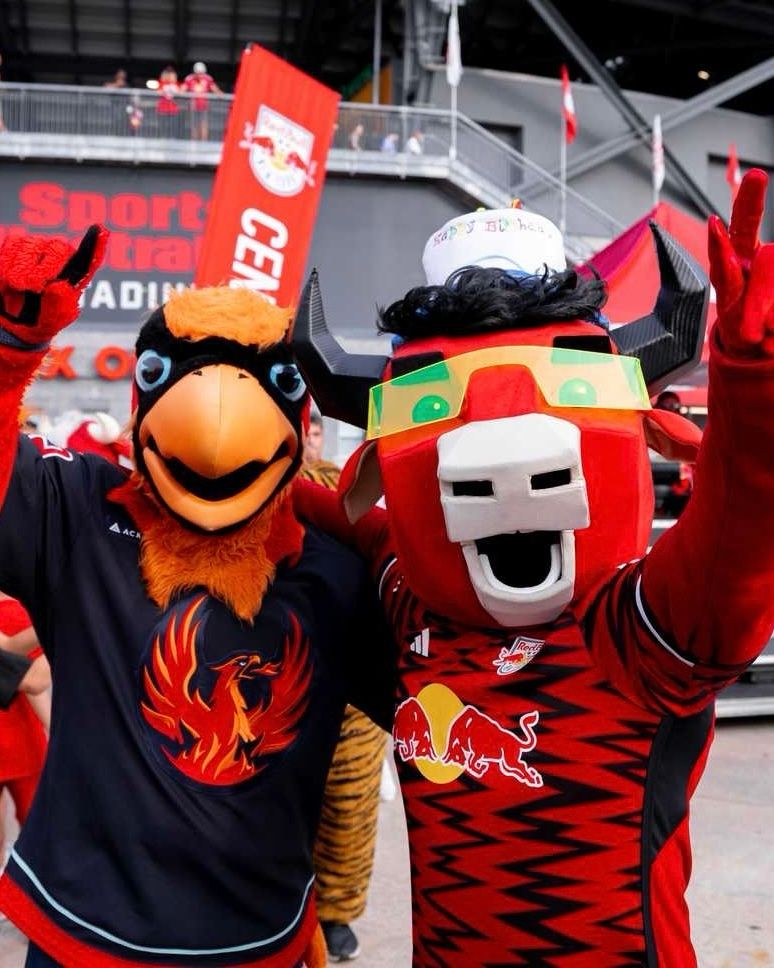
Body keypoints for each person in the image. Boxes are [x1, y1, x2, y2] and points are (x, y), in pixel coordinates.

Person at [292, 172, 774, 964]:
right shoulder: (412, 616)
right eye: (430, 399)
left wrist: (752, 390)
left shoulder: (638, 632)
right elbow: (356, 536)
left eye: (570, 382)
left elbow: (737, 544)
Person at [0, 227, 395, 968]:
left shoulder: (333, 568)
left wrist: (408, 527)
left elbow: (446, 694)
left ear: (302, 422)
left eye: (271, 382)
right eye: (170, 372)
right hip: (84, 931)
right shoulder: (84, 514)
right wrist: (7, 355)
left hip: (256, 934)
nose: (215, 413)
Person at [301, 415, 386, 963]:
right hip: (277, 680)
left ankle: (336, 912)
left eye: (310, 428)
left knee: (348, 812)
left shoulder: (350, 493)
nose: (304, 438)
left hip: (353, 693)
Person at [0, 595, 49, 868]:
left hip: (24, 740)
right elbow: (33, 681)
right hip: (23, 741)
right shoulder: (21, 610)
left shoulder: (18, 610)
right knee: (36, 823)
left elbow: (12, 655)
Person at [182, 61, 222, 141]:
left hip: (204, 106)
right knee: (194, 125)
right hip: (193, 106)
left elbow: (215, 90)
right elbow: (182, 89)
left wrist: (221, 95)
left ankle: (203, 143)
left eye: (201, 73)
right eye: (198, 73)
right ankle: (194, 142)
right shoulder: (189, 78)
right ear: (195, 72)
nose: (200, 75)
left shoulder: (208, 78)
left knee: (203, 124)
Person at [156, 65, 180, 134]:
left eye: (171, 73)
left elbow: (179, 93)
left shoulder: (176, 84)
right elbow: (158, 92)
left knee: (172, 129)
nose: (169, 75)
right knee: (162, 128)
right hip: (162, 109)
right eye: (168, 73)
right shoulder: (161, 83)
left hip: (173, 109)